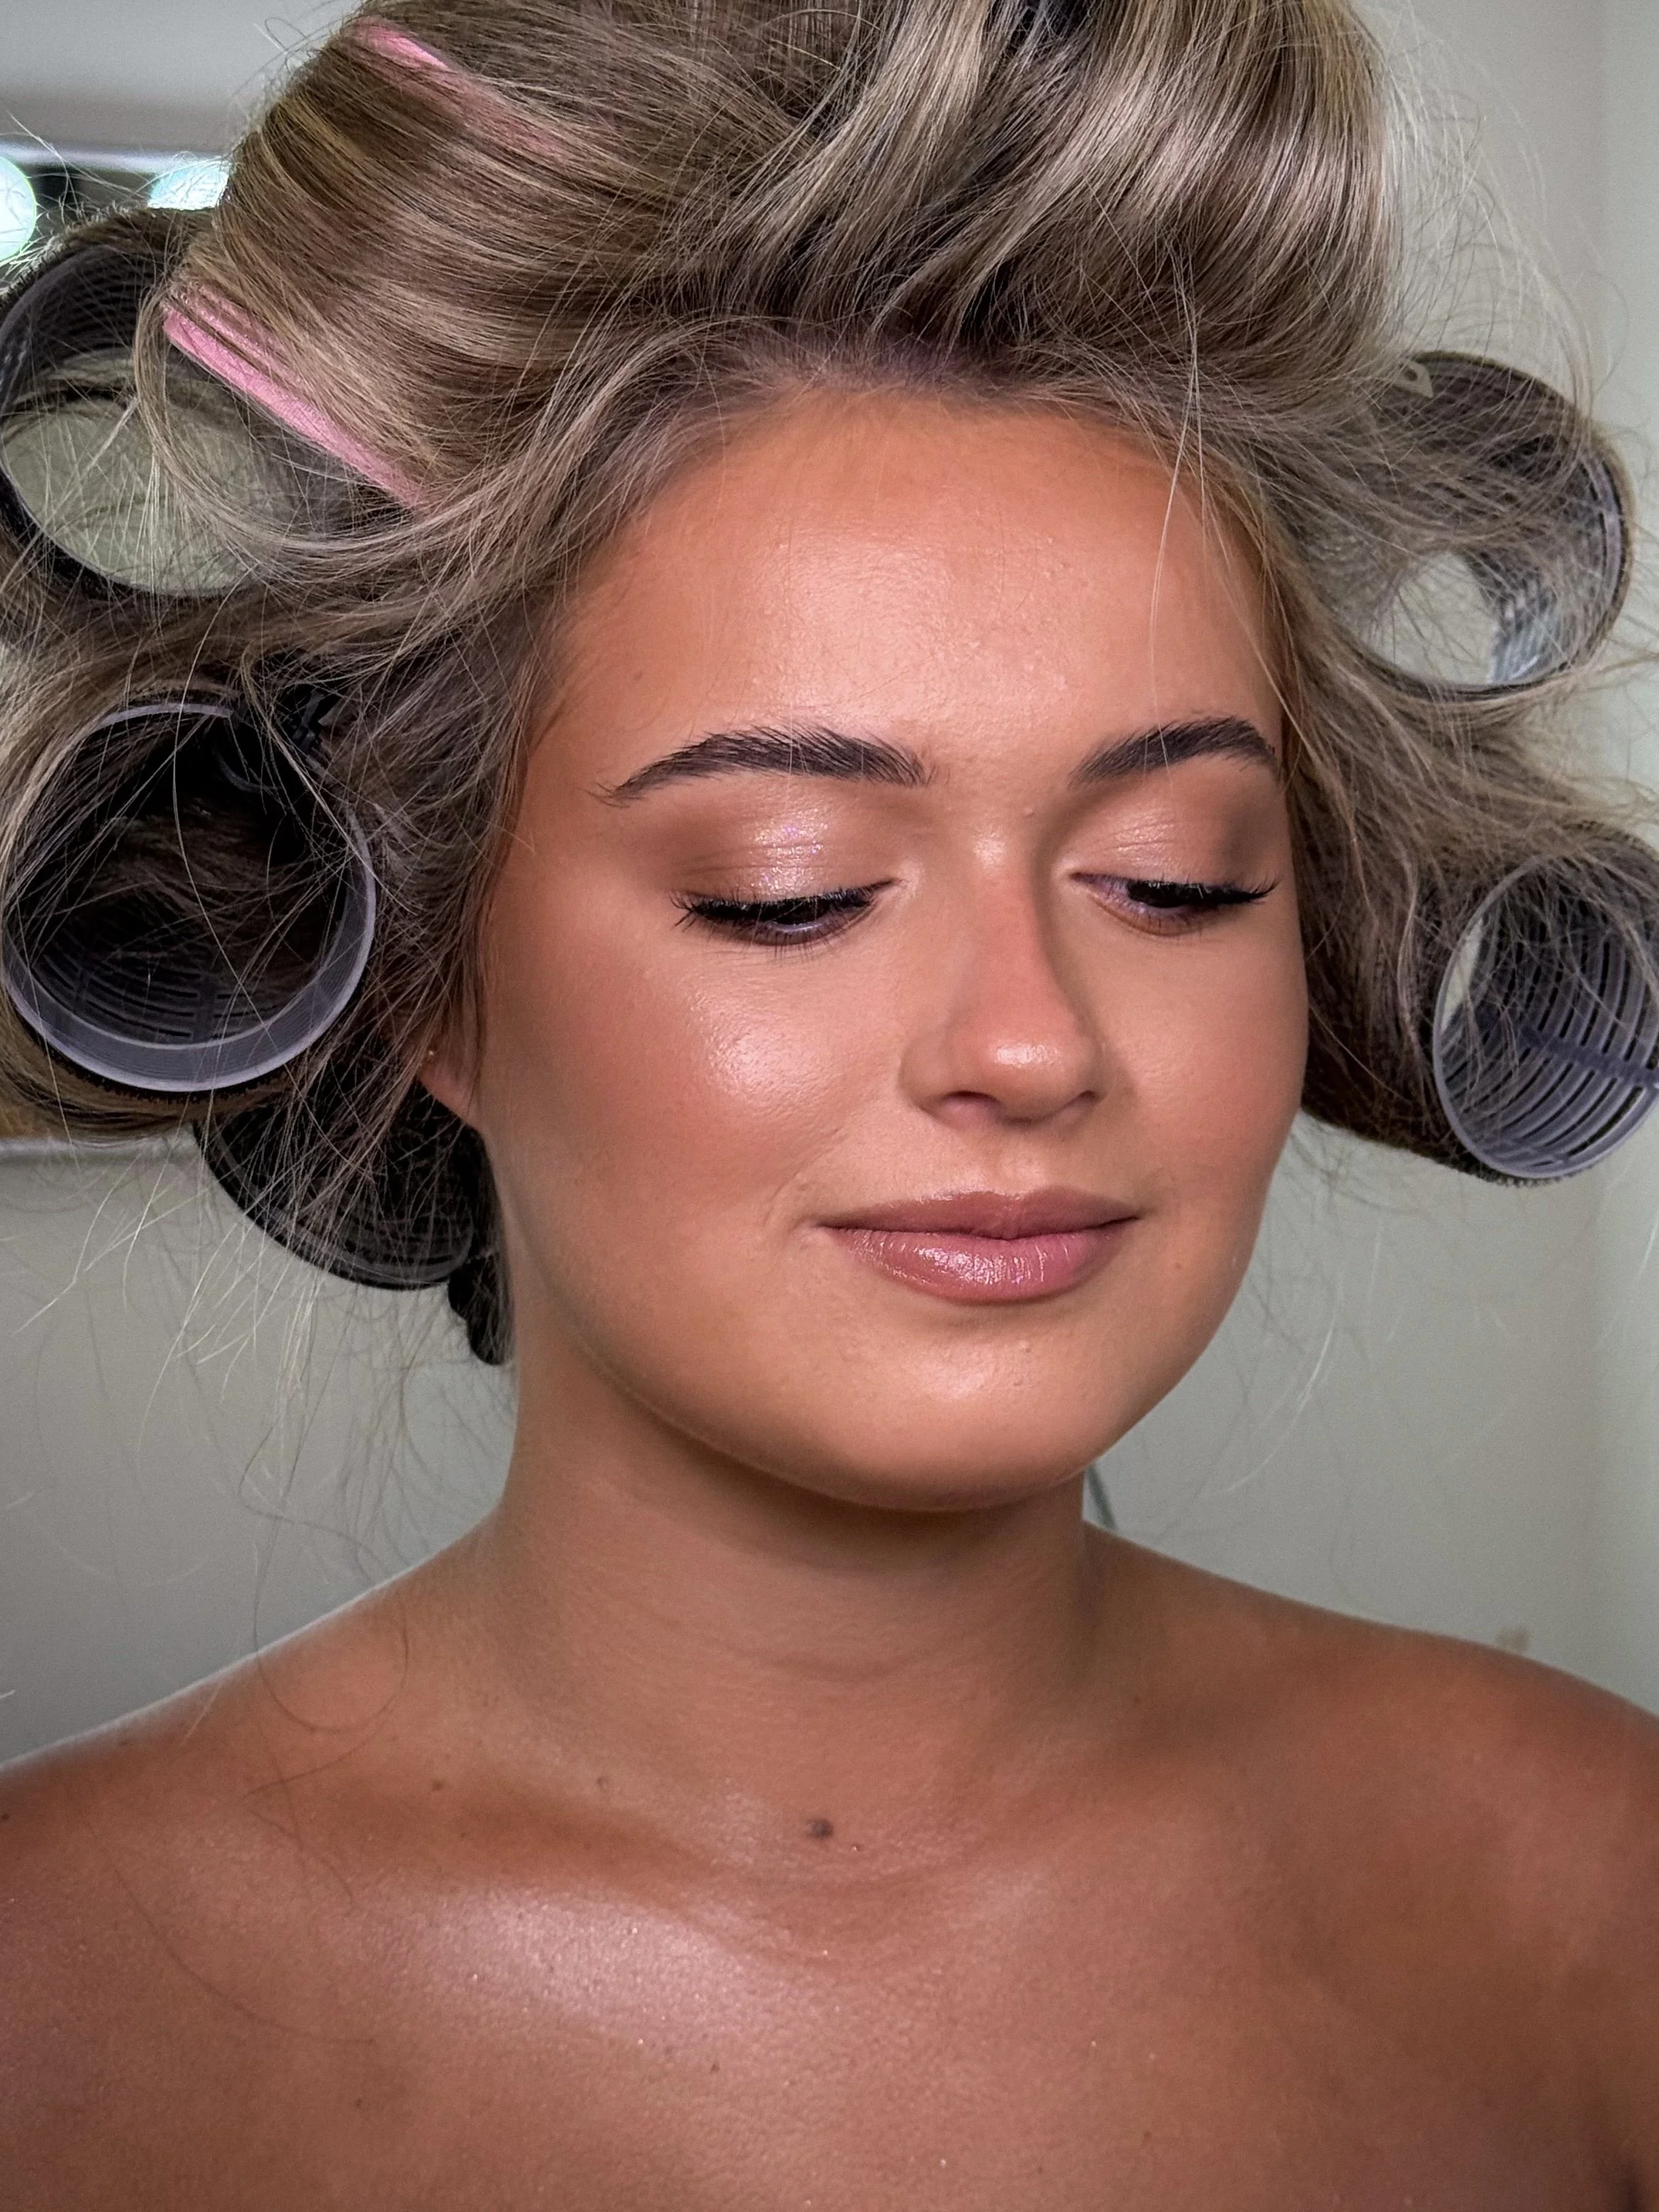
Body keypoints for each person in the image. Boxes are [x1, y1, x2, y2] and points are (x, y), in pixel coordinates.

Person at [2, 0, 1658, 2201]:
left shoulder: (1595, 1898)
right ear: (414, 974)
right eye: (787, 890)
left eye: (1176, 877)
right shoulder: (55, 2013)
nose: (1031, 1041)